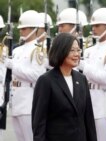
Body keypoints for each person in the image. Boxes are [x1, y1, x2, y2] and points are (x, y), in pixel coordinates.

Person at [32, 33, 97, 141]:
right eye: (72, 50)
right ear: (60, 51)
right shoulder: (46, 81)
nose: (76, 54)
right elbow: (39, 122)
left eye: (78, 50)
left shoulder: (81, 79)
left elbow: (88, 119)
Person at [3, 10, 45, 141]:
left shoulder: (37, 50)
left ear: (34, 29)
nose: (21, 31)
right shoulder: (16, 50)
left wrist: (13, 66)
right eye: (20, 28)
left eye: (24, 29)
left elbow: (37, 75)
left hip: (29, 102)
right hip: (16, 101)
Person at [78, 8, 106, 141]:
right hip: (88, 102)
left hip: (104, 105)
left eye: (97, 25)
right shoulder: (89, 50)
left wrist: (84, 66)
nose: (93, 28)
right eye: (93, 25)